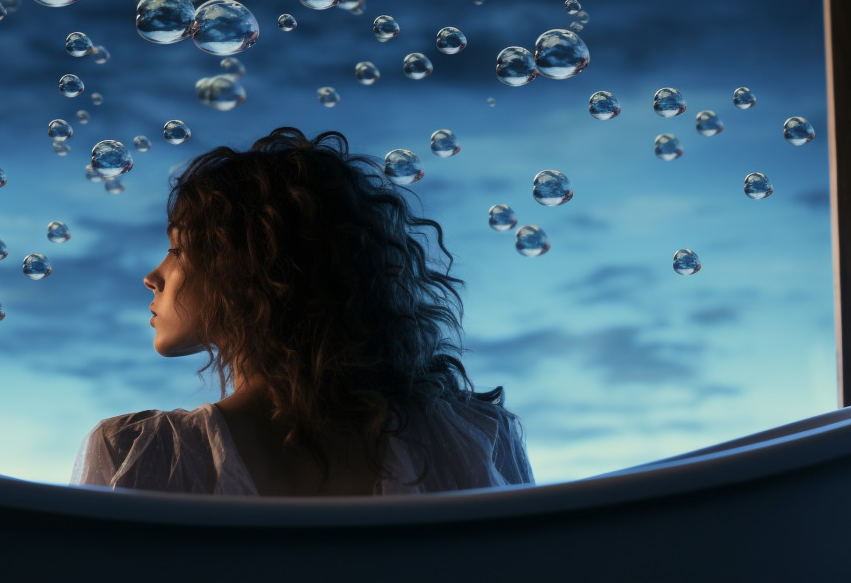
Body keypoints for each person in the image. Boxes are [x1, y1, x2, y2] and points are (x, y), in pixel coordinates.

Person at [70, 127, 534, 496]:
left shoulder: (139, 455)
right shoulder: (479, 440)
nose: (153, 275)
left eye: (179, 250)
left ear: (246, 268)